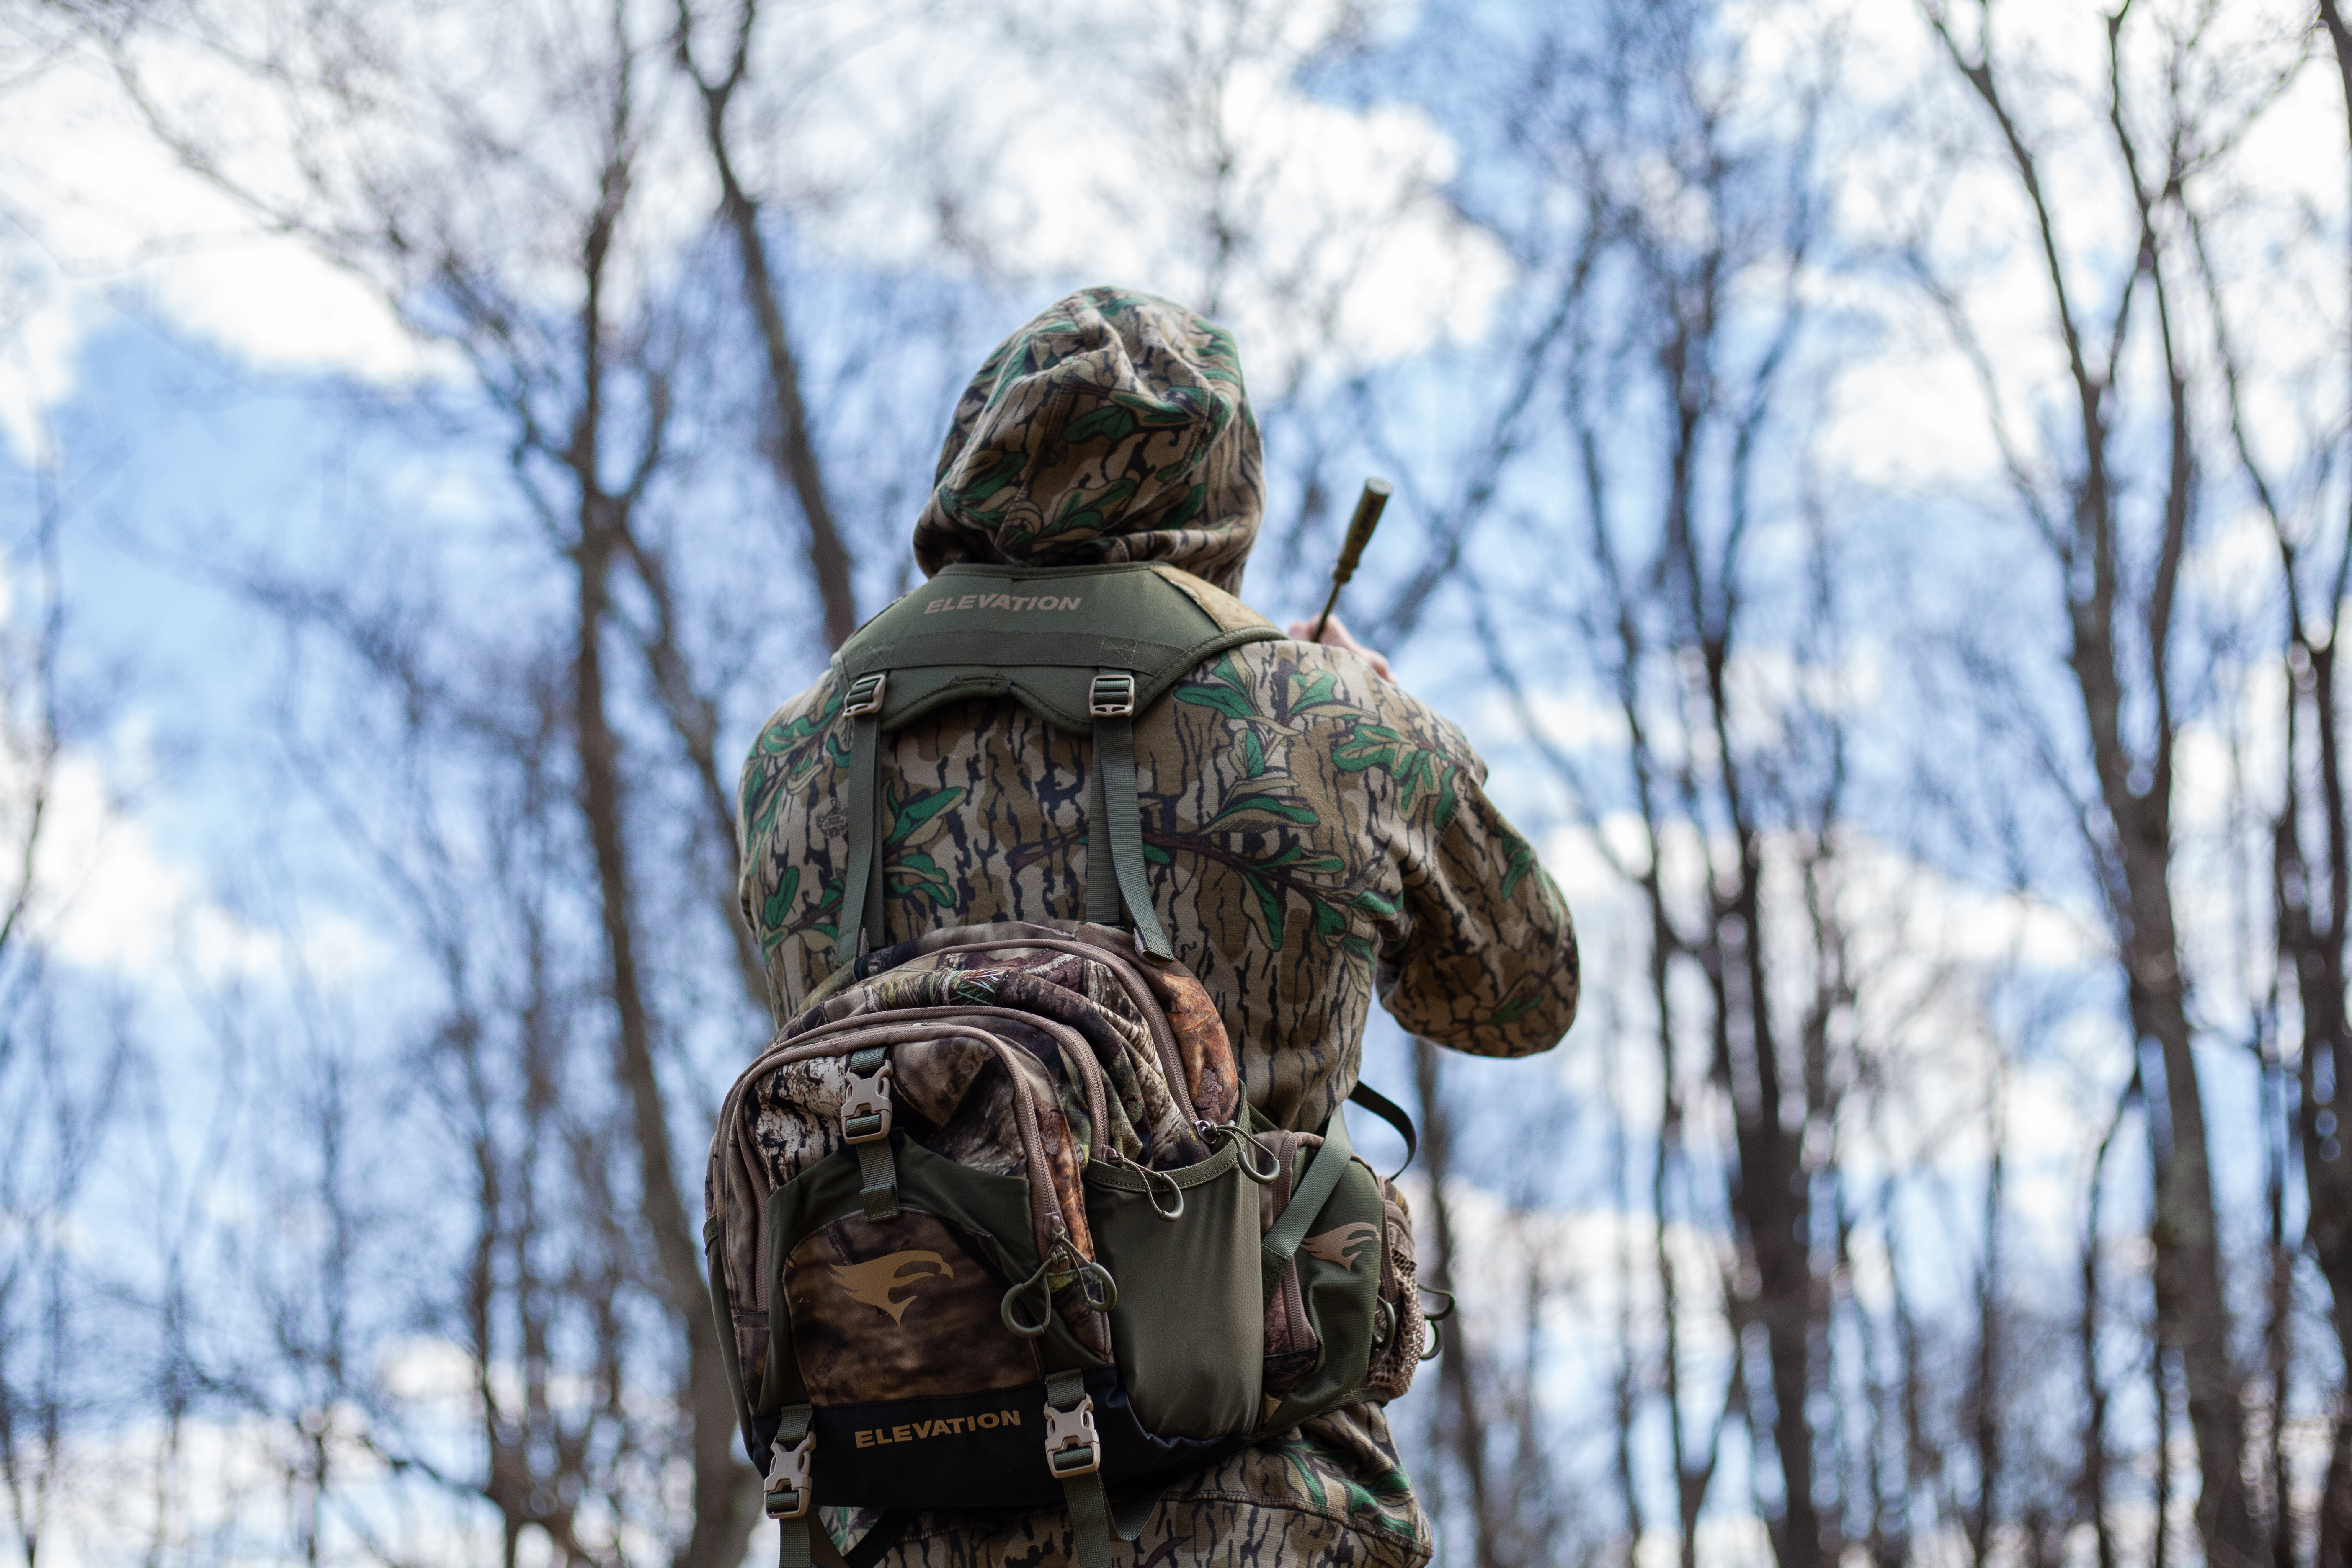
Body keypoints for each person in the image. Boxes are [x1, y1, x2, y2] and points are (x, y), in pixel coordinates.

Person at [736, 286, 1579, 1568]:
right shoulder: (1322, 722)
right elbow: (1526, 993)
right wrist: (1377, 729)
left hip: (890, 1527)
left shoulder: (797, 755)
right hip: (1273, 1521)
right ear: (1221, 490)